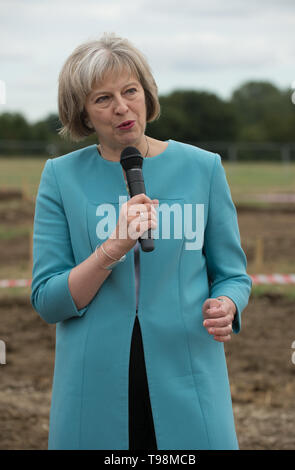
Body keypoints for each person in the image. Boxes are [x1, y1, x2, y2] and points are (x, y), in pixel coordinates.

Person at [30, 32, 252, 450]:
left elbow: (233, 276)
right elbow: (48, 300)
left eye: (130, 90)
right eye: (102, 98)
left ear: (147, 94)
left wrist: (228, 304)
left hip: (189, 383)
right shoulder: (60, 178)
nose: (121, 107)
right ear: (83, 112)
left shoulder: (203, 168)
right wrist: (111, 248)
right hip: (92, 393)